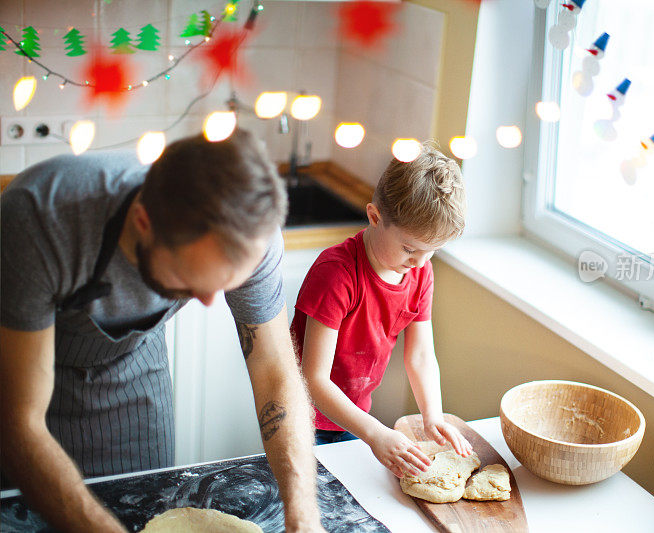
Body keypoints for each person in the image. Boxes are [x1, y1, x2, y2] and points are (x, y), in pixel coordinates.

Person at [0, 130, 322, 532]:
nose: (207, 301)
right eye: (190, 280)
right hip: (30, 381)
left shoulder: (252, 230)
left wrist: (303, 512)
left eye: (223, 284)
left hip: (136, 376)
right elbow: (19, 420)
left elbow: (274, 368)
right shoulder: (41, 218)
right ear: (143, 222)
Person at [291, 142, 473, 478]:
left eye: (431, 251)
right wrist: (375, 433)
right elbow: (313, 379)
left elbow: (419, 356)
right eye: (409, 248)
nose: (419, 261)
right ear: (375, 217)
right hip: (300, 416)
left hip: (351, 415)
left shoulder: (418, 272)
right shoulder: (337, 274)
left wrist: (432, 415)